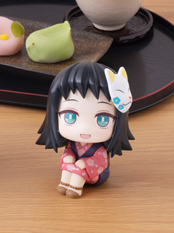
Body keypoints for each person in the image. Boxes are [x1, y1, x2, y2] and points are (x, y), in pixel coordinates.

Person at [36, 61, 134, 198]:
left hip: (96, 174)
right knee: (67, 166)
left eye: (103, 119)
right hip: (76, 167)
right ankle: (64, 184)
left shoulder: (100, 150)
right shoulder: (73, 144)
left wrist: (83, 163)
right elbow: (69, 151)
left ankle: (75, 189)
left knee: (78, 170)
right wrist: (69, 156)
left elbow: (101, 162)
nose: (85, 128)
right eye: (70, 117)